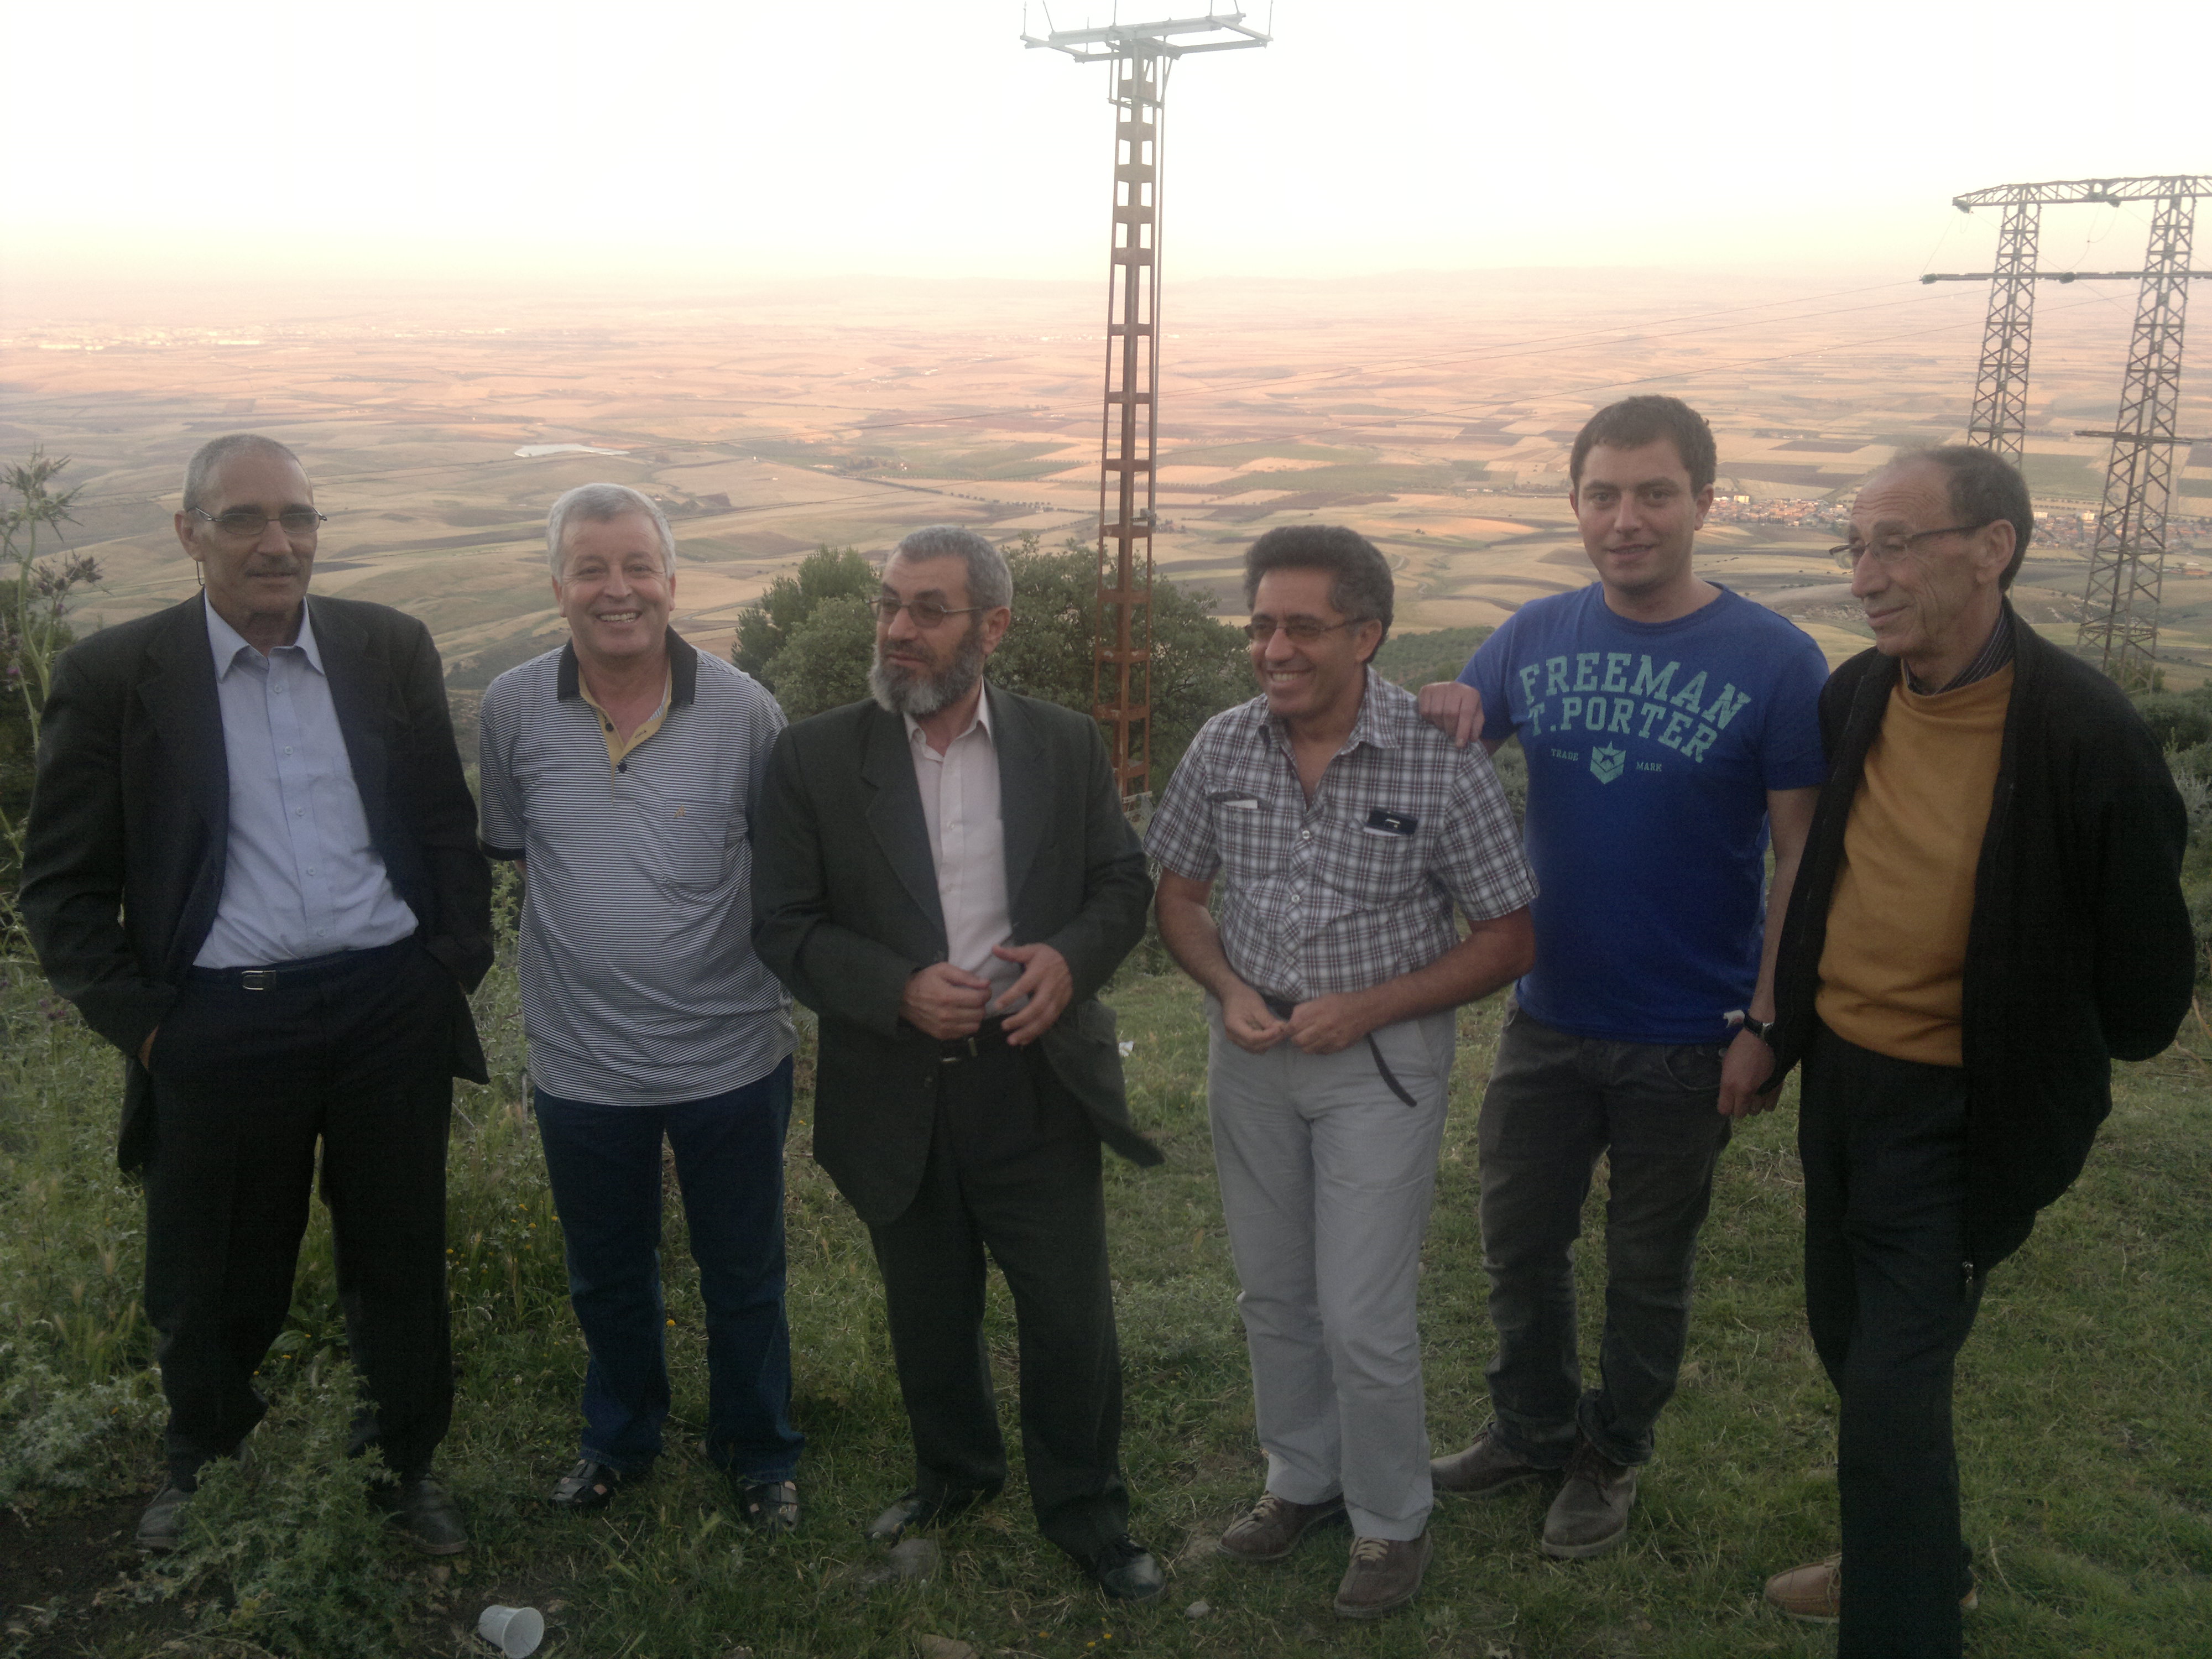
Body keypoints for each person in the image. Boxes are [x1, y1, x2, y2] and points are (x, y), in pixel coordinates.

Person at [20, 433, 493, 1555]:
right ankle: (204, 1468)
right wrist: (151, 1031)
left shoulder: (387, 647)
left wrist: (447, 968)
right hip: (219, 1021)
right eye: (243, 519)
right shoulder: (115, 677)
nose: (276, 543)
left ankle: (402, 1470)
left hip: (389, 1007)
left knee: (399, 1258)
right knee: (215, 1270)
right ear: (190, 534)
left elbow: (443, 822)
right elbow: (61, 888)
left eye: (297, 517)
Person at [1756, 447, 2193, 1656]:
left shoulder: (2083, 731)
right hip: (1844, 1086)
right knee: (1850, 1341)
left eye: (1894, 545)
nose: (1864, 578)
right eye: (1855, 548)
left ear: (1993, 547)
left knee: (1890, 1390)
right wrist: (1778, 1035)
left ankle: (1898, 1620)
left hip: (1964, 1111)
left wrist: (2032, 1042)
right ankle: (1923, 1561)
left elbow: (2145, 985)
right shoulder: (1858, 695)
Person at [1416, 394, 1827, 1560]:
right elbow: (1435, 762)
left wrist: (1767, 1021)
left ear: (1703, 501)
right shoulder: (1530, 635)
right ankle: (1531, 1428)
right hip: (1545, 1013)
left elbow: (1800, 853)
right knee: (1517, 1243)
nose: (1626, 518)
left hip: (1690, 1029)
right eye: (1602, 494)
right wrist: (1441, 703)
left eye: (1654, 494)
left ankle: (1611, 1454)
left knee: (1648, 1268)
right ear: (1575, 504)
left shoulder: (1775, 658)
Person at [749, 525, 1166, 1600]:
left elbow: (1122, 884)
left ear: (993, 627)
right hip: (896, 1083)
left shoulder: (1063, 744)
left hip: (1037, 1075)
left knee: (1068, 1315)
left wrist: (1068, 962)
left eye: (927, 610)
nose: (897, 628)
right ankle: (955, 1474)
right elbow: (783, 925)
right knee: (928, 1308)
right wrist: (895, 988)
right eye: (889, 603)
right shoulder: (812, 758)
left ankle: (1088, 1512)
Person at [1145, 524, 1536, 1621]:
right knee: (1273, 1291)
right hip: (1250, 1054)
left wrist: (1369, 1006)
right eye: (1261, 626)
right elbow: (1178, 896)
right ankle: (1302, 1478)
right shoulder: (1223, 744)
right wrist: (1225, 988)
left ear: (1366, 636)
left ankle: (1390, 1519)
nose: (1273, 650)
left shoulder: (1436, 756)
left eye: (1302, 629)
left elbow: (1509, 935)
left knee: (1360, 1311)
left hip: (1380, 1062)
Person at [476, 484, 803, 1532]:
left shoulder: (747, 711)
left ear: (672, 581)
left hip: (730, 1052)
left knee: (743, 1272)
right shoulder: (511, 709)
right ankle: (619, 1439)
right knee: (606, 1274)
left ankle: (759, 1453)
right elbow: (519, 850)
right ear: (557, 587)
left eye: (636, 567)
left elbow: (784, 865)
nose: (616, 590)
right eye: (591, 569)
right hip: (580, 1058)